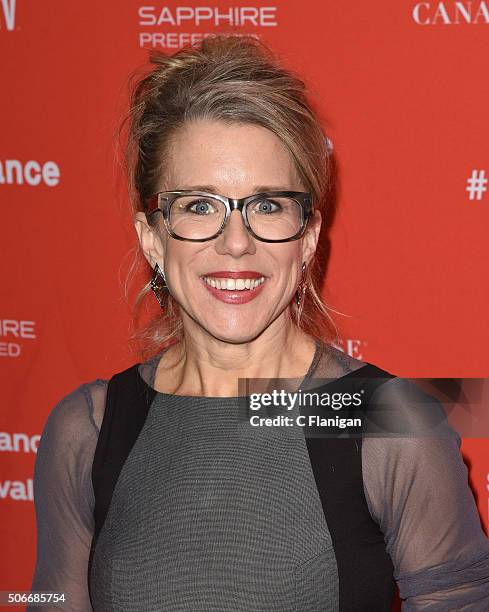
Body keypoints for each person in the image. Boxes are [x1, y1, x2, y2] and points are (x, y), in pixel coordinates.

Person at [29, 34, 489, 611]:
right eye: (200, 206)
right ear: (152, 238)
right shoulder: (86, 429)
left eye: (267, 205)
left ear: (308, 238)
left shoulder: (390, 420)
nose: (237, 243)